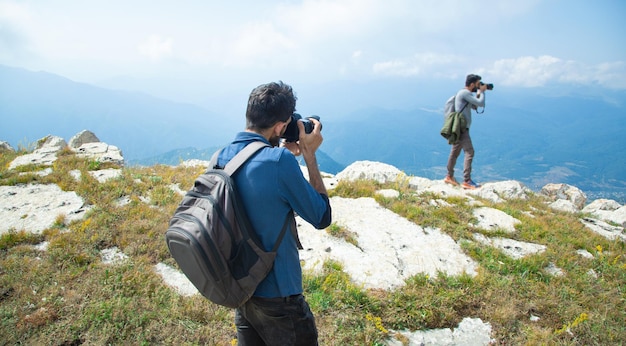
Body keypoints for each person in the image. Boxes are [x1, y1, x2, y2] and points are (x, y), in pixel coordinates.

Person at [216, 81, 332, 345]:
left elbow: (256, 180)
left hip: (243, 290)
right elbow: (321, 216)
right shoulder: (279, 163)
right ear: (281, 127)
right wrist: (309, 155)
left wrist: (281, 153)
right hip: (280, 298)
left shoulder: (222, 157)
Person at [444, 74, 488, 189]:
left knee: (455, 152)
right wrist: (482, 92)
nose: (479, 86)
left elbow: (473, 106)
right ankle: (467, 180)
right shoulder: (465, 93)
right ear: (472, 84)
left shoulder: (463, 94)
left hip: (459, 127)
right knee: (470, 151)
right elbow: (480, 103)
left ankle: (449, 176)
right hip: (463, 128)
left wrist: (478, 93)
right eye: (478, 84)